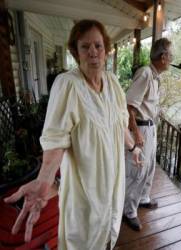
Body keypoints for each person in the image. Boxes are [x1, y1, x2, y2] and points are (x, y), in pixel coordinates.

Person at [4, 19, 142, 250]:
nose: (93, 52)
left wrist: (132, 147)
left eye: (98, 46)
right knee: (84, 238)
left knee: (108, 230)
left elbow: (119, 124)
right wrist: (45, 179)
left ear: (106, 50)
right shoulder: (67, 84)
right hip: (84, 188)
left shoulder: (113, 83)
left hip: (113, 181)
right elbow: (55, 140)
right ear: (76, 52)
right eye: (85, 47)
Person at [123, 38, 173, 231]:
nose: (172, 59)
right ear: (163, 57)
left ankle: (142, 198)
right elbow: (129, 106)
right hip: (141, 128)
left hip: (150, 127)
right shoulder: (144, 74)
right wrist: (136, 133)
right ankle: (129, 211)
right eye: (171, 55)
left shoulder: (155, 76)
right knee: (138, 171)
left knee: (150, 167)